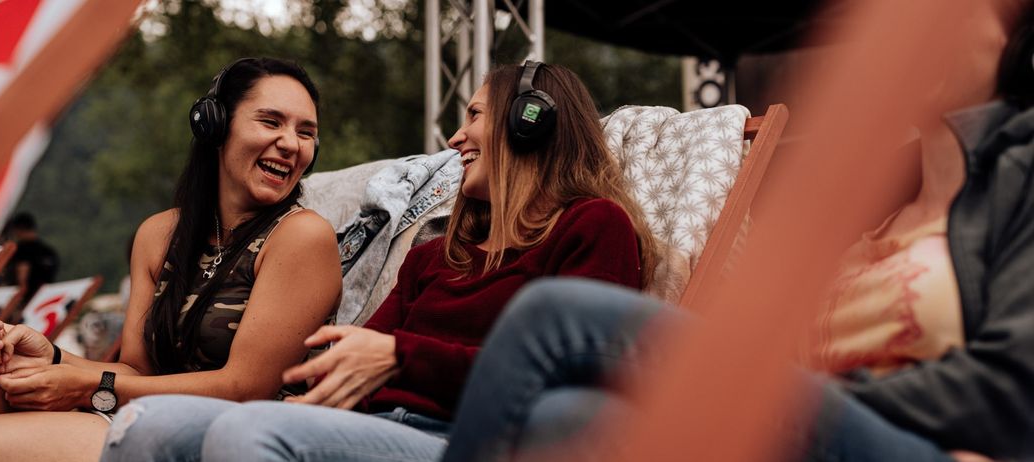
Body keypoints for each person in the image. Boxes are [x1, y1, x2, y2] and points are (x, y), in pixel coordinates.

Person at [438, 2, 1034, 461]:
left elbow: (1009, 388)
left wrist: (770, 405)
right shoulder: (866, 199)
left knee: (555, 316)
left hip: (918, 443)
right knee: (563, 419)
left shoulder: (1021, 176)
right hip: (807, 427)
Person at [98, 61, 660, 462]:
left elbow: (578, 384)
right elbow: (363, 362)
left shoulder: (593, 225)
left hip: (465, 438)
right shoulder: (434, 257)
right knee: (150, 424)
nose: (457, 136)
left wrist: (399, 357)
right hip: (369, 428)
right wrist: (318, 382)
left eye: (476, 116)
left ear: (529, 125)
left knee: (251, 435)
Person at [0, 57, 342, 462]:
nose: (291, 143)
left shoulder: (301, 236)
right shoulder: (159, 235)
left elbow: (245, 390)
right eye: (271, 121)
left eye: (305, 132)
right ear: (214, 125)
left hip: (226, 438)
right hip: (142, 412)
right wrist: (51, 356)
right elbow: (136, 372)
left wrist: (86, 386)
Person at [1, 212, 59, 317]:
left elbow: (22, 279)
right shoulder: (49, 252)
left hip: (23, 305)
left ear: (18, 229)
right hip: (42, 303)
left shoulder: (21, 250)